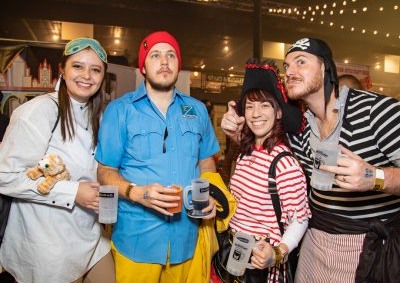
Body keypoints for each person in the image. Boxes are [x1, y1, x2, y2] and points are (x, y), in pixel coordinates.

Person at [221, 38, 400, 283]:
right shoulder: (300, 129)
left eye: (301, 62)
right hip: (313, 246)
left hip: (366, 248)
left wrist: (375, 177)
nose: (290, 72)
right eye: (287, 67)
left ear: (325, 67)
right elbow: (263, 148)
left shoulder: (375, 111)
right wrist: (236, 131)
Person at [95, 31, 220, 283]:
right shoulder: (120, 110)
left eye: (170, 55)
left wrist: (209, 197)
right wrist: (137, 193)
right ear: (143, 66)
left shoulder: (196, 110)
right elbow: (105, 172)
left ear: (178, 64)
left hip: (187, 241)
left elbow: (206, 161)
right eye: (155, 55)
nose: (164, 61)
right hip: (136, 243)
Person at [0, 38, 115, 283]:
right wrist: (72, 192)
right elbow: (5, 177)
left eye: (95, 70)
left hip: (92, 238)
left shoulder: (100, 117)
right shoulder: (38, 112)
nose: (87, 75)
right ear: (62, 69)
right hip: (48, 247)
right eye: (78, 66)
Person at [213, 59, 310, 283]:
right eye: (249, 106)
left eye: (265, 105)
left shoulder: (284, 164)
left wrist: (277, 253)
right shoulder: (245, 153)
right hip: (233, 253)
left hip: (261, 265)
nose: (256, 113)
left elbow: (300, 220)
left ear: (278, 113)